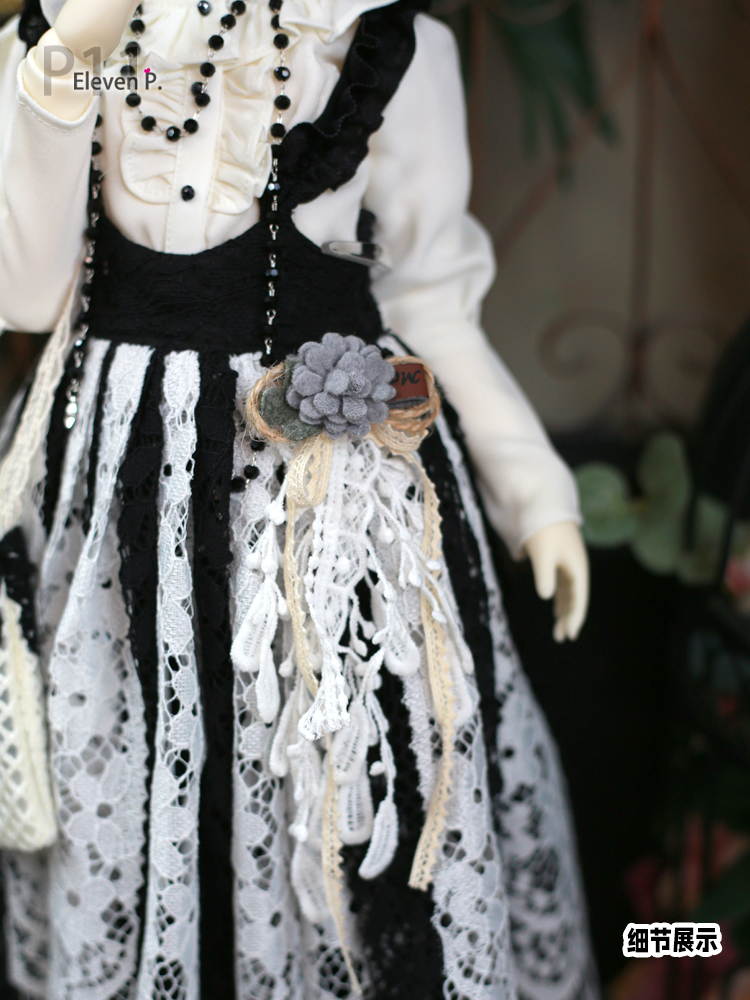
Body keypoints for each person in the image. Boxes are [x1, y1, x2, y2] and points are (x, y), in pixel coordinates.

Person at [0, 0, 597, 995]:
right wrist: (67, 57)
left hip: (318, 495)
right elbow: (25, 291)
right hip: (117, 485)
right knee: (117, 767)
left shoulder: (382, 41)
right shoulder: (101, 43)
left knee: (327, 787)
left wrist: (537, 492)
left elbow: (430, 297)